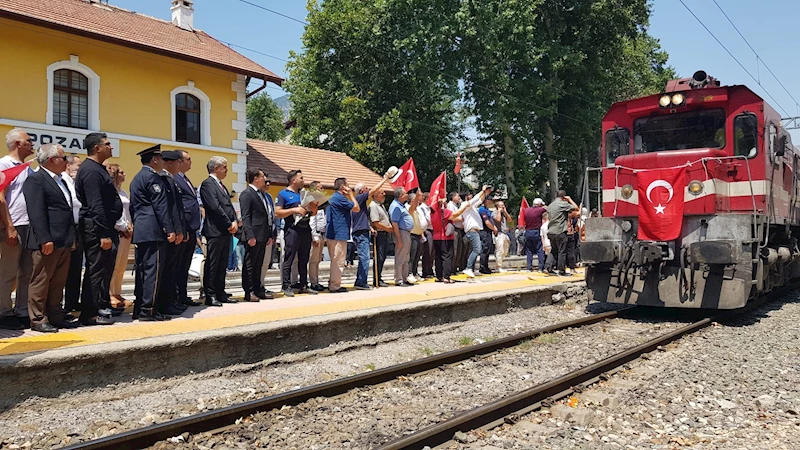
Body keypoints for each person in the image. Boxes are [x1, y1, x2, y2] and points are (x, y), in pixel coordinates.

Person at [23, 143, 80, 332]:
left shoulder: (60, 180)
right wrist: (44, 239)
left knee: (58, 282)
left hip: (63, 239)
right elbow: (36, 212)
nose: (66, 161)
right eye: (63, 158)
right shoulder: (36, 180)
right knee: (41, 280)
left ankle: (55, 314)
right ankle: (38, 319)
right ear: (51, 160)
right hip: (47, 241)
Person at [75, 132, 122, 325]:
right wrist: (103, 234)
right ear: (97, 148)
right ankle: (90, 313)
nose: (111, 147)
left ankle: (101, 306)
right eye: (107, 144)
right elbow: (96, 205)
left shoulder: (98, 169)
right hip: (96, 229)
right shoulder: (91, 171)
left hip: (105, 227)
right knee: (95, 271)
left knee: (103, 270)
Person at [130, 145, 178, 321]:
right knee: (153, 270)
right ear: (155, 159)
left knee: (143, 270)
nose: (163, 162)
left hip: (142, 229)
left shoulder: (137, 177)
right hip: (153, 229)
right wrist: (169, 229)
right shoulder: (152, 178)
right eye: (161, 158)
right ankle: (149, 309)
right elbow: (160, 206)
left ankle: (140, 307)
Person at [0, 128, 34, 330]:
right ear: (17, 144)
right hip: (12, 225)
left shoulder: (29, 168)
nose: (32, 143)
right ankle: (4, 311)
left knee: (27, 271)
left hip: (30, 226)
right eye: (28, 140)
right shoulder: (3, 165)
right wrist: (9, 226)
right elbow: (1, 197)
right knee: (8, 271)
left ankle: (22, 310)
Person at [200, 156, 238, 305]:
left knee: (223, 264)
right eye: (224, 168)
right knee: (213, 263)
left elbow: (228, 206)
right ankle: (210, 294)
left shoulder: (221, 185)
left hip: (225, 231)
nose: (227, 171)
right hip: (215, 230)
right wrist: (229, 223)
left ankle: (220, 292)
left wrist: (234, 220)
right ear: (216, 168)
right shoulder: (207, 184)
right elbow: (215, 207)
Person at [275, 170, 317, 297]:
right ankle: (286, 285)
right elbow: (277, 212)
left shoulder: (304, 194)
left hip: (306, 228)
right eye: (301, 178)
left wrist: (314, 209)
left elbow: (312, 213)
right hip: (292, 229)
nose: (303, 180)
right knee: (289, 258)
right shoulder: (283, 194)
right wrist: (294, 209)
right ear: (293, 180)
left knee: (304, 259)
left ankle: (303, 285)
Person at [156, 151, 188, 316]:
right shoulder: (164, 179)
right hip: (170, 233)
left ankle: (171, 301)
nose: (180, 164)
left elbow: (179, 209)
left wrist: (182, 229)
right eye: (178, 161)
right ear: (169, 162)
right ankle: (165, 303)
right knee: (167, 270)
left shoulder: (171, 180)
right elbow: (168, 209)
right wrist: (174, 230)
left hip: (178, 230)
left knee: (173, 269)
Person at [240, 168, 274, 302]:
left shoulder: (261, 194)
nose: (265, 178)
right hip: (254, 235)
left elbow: (267, 216)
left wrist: (269, 234)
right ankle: (249, 291)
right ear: (255, 178)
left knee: (258, 264)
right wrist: (250, 235)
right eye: (262, 176)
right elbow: (246, 216)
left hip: (263, 234)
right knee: (250, 264)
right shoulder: (247, 194)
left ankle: (258, 289)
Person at [173, 150, 202, 307]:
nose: (191, 162)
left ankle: (183, 295)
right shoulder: (175, 178)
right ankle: (177, 296)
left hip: (191, 227)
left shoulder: (185, 179)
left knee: (185, 264)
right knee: (178, 265)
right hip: (183, 227)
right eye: (188, 159)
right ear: (180, 161)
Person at [350, 175, 390, 290]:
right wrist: (385, 179)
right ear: (362, 191)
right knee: (364, 257)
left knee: (365, 257)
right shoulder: (360, 198)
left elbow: (362, 218)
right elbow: (374, 191)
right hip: (360, 232)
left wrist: (370, 228)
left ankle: (361, 280)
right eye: (366, 188)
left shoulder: (361, 203)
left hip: (363, 230)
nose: (368, 190)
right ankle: (361, 282)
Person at [106, 163, 133, 309]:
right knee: (114, 265)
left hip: (127, 230)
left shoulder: (123, 192)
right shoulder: (111, 192)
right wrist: (122, 226)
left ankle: (118, 292)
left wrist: (130, 225)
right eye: (121, 172)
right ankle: (110, 294)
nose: (124, 174)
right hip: (118, 229)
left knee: (122, 265)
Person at [326, 177, 360, 293]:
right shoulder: (340, 198)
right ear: (343, 187)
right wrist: (351, 194)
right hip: (338, 234)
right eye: (348, 185)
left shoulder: (334, 197)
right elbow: (356, 208)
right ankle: (335, 285)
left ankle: (332, 282)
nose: (349, 188)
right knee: (338, 261)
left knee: (335, 260)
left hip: (333, 233)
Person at [431, 197, 470, 283]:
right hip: (445, 237)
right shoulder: (444, 212)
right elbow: (455, 215)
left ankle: (439, 276)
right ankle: (446, 276)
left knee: (438, 257)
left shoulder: (433, 212)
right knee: (447, 256)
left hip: (436, 237)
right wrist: (464, 207)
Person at [62, 155, 83, 313]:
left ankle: (72, 301)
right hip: (67, 228)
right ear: (68, 166)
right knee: (65, 269)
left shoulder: (76, 182)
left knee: (75, 269)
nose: (79, 170)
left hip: (78, 227)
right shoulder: (63, 180)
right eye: (77, 167)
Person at [460, 186, 493, 278]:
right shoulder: (465, 205)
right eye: (469, 195)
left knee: (473, 250)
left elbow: (479, 200)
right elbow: (476, 199)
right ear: (466, 197)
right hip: (472, 231)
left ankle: (471, 269)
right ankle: (468, 268)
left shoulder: (472, 207)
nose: (471, 196)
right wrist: (482, 190)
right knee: (477, 249)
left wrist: (486, 193)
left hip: (475, 231)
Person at [547, 190, 579, 276]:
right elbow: (576, 207)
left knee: (553, 250)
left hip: (551, 231)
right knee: (562, 251)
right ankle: (562, 271)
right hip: (560, 230)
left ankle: (548, 268)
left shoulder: (551, 205)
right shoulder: (562, 204)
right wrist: (569, 199)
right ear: (563, 197)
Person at [390, 187, 414, 286]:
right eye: (405, 193)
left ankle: (404, 278)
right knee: (400, 257)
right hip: (402, 233)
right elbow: (394, 223)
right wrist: (399, 238)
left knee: (406, 258)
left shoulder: (401, 205)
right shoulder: (396, 206)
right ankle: (399, 279)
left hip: (406, 233)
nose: (407, 195)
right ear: (400, 195)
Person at [369, 188, 392, 287]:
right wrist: (387, 228)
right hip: (379, 234)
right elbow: (375, 222)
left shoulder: (381, 205)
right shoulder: (373, 206)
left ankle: (379, 277)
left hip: (385, 233)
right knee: (379, 257)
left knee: (382, 257)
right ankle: (376, 279)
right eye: (382, 193)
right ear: (375, 195)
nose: (384, 194)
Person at [258, 176, 278, 291]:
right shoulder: (256, 195)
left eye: (269, 182)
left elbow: (272, 216)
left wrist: (273, 233)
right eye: (266, 182)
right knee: (258, 262)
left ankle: (261, 284)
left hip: (269, 233)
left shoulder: (269, 197)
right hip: (259, 233)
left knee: (266, 262)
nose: (268, 184)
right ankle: (256, 285)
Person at [307, 181, 327, 292]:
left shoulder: (321, 203)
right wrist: (314, 236)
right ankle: (313, 282)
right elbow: (312, 220)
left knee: (318, 260)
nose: (322, 190)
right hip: (316, 235)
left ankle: (316, 281)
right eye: (320, 188)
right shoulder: (312, 202)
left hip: (322, 234)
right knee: (313, 260)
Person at [523, 198, 547, 272]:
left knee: (529, 251)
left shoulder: (526, 210)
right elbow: (547, 208)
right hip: (537, 231)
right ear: (539, 204)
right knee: (540, 249)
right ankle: (541, 267)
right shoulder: (540, 210)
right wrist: (543, 206)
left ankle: (529, 267)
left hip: (528, 231)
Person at [406, 192, 424, 283]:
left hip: (418, 235)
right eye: (417, 201)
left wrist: (422, 234)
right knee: (411, 256)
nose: (418, 202)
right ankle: (409, 273)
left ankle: (414, 272)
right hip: (412, 235)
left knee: (417, 256)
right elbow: (412, 208)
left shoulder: (417, 210)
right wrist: (417, 196)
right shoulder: (409, 208)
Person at [446, 192, 465, 272]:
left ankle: (455, 267)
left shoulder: (456, 206)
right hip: (454, 229)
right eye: (457, 196)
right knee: (455, 249)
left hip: (459, 229)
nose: (459, 197)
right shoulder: (450, 205)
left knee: (459, 250)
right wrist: (461, 219)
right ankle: (452, 268)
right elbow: (451, 217)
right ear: (453, 197)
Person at [492, 200, 513, 272]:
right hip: (499, 233)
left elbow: (510, 220)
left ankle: (500, 263)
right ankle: (498, 266)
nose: (503, 207)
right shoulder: (494, 213)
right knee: (500, 250)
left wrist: (505, 212)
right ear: (497, 207)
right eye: (501, 206)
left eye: (503, 205)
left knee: (505, 251)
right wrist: (499, 211)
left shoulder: (504, 213)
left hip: (505, 233)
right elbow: (498, 219)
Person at [478, 196, 497, 275]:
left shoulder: (487, 210)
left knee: (488, 248)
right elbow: (487, 222)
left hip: (488, 231)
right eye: (490, 200)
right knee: (485, 249)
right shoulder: (482, 209)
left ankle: (486, 266)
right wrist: (493, 229)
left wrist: (493, 227)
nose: (491, 202)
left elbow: (490, 220)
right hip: (484, 231)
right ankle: (482, 266)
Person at [418, 193, 435, 279]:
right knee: (427, 251)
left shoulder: (429, 208)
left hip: (432, 230)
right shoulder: (422, 208)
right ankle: (426, 270)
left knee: (432, 252)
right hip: (427, 230)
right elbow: (428, 220)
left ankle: (430, 269)